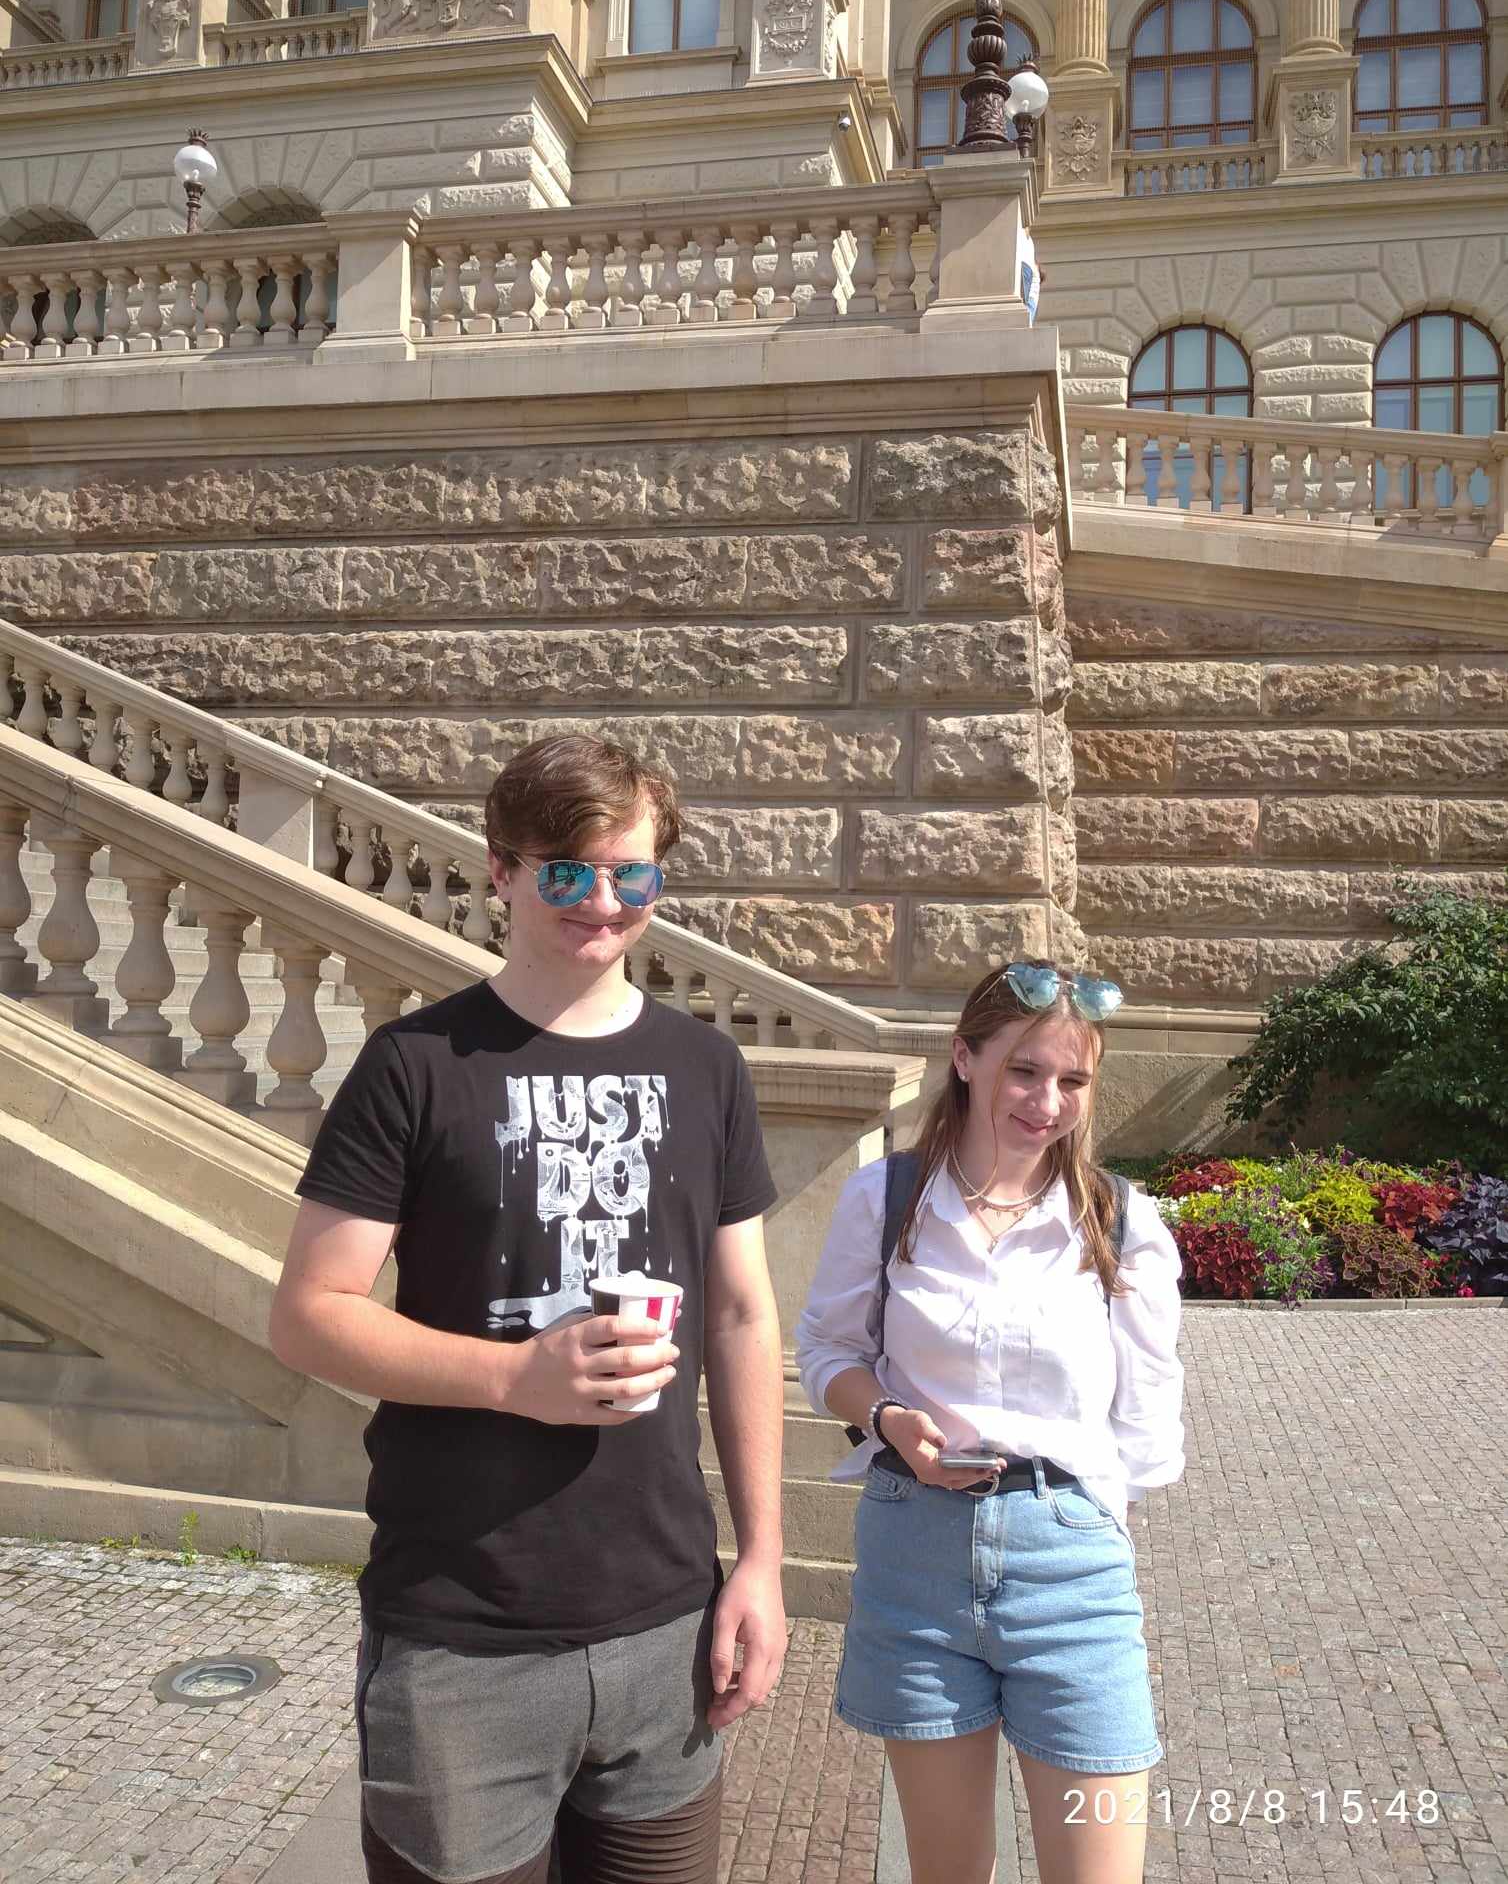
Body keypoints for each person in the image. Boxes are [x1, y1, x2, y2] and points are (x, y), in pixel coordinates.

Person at [268, 732, 788, 1884]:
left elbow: (742, 1318)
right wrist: (514, 1377)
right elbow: (309, 1313)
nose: (599, 902)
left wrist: (760, 1559)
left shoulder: (705, 1067)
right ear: (500, 871)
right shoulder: (415, 1064)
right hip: (462, 1636)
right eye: (565, 871)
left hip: (665, 1620)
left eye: (629, 873)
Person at [796, 960, 1185, 1884]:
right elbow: (828, 1353)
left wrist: (1087, 1519)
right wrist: (886, 1416)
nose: (1048, 1103)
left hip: (1072, 1568)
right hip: (914, 1554)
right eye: (1024, 1071)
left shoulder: (1119, 1221)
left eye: (1073, 1080)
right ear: (964, 1059)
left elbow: (1146, 1414)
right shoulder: (886, 1200)